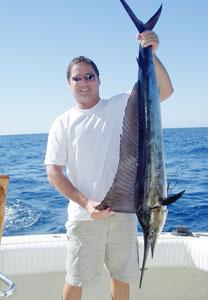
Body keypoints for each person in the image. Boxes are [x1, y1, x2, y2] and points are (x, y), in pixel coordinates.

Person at [44, 30, 173, 300]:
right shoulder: (62, 123)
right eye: (77, 78)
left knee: (122, 277)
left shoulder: (119, 105)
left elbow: (164, 91)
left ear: (99, 80)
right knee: (75, 279)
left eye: (89, 76)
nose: (84, 82)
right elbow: (53, 172)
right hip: (84, 216)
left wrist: (152, 52)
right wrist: (87, 203)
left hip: (124, 213)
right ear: (68, 84)